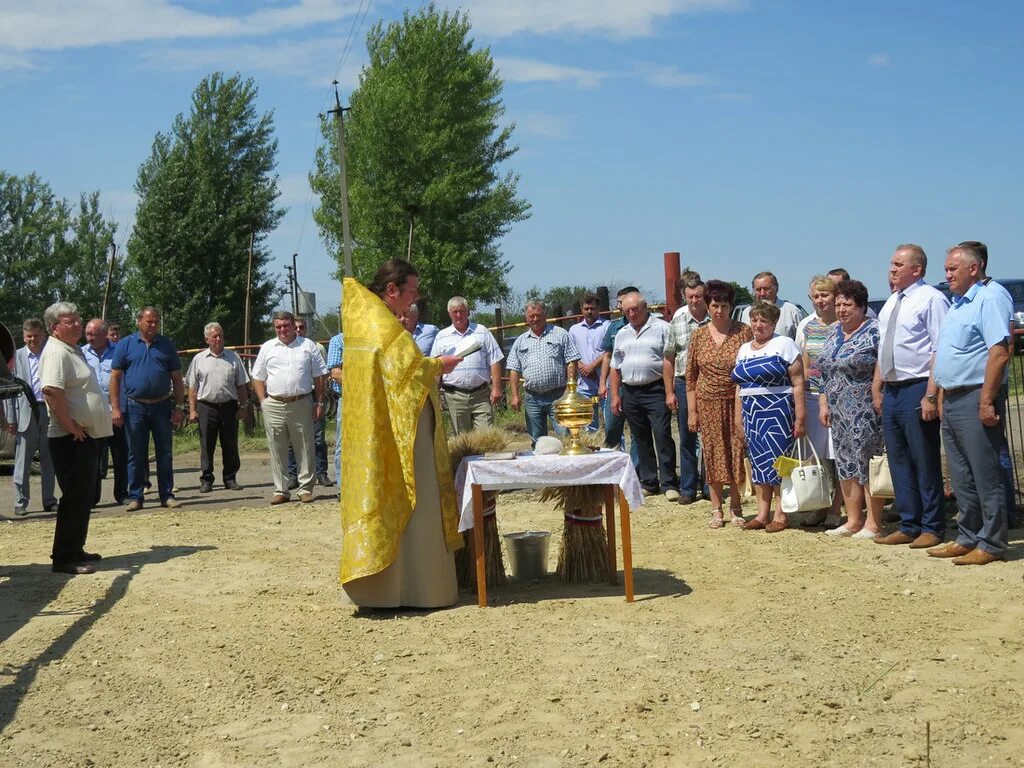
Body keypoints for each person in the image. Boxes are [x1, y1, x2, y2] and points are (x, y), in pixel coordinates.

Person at [339, 258, 465, 608]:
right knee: (417, 500)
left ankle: (387, 589)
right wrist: (441, 364)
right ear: (391, 290)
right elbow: (409, 372)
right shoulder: (385, 326)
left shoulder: (366, 317)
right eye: (411, 291)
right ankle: (421, 587)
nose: (414, 299)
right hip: (403, 433)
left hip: (383, 427)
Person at [927, 243, 1012, 565]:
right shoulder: (959, 303)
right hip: (954, 396)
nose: (947, 274)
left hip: (976, 395)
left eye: (952, 268)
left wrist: (987, 400)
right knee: (962, 474)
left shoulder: (990, 298)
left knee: (984, 471)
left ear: (973, 269)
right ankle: (967, 536)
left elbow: (1000, 351)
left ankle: (992, 543)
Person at [872, 244, 950, 548]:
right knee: (900, 459)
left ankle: (932, 525)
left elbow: (938, 348)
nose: (891, 268)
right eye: (891, 263)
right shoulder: (892, 301)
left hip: (917, 386)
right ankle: (909, 523)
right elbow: (885, 347)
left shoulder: (931, 299)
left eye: (897, 264)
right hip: (892, 389)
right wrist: (878, 384)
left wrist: (931, 394)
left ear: (916, 269)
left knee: (924, 458)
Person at [39, 302, 113, 575]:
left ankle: (76, 547)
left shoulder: (72, 349)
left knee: (85, 496)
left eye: (78, 319)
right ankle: (63, 558)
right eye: (71, 321)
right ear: (55, 327)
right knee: (73, 498)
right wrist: (72, 427)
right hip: (69, 438)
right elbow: (51, 392)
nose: (78, 324)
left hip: (85, 435)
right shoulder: (56, 352)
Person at [817, 280, 886, 538]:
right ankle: (853, 520)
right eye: (838, 304)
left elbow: (884, 364)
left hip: (866, 409)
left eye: (848, 304)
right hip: (838, 412)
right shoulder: (833, 331)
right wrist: (824, 403)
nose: (842, 309)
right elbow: (822, 372)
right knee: (845, 464)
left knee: (867, 463)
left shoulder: (874, 331)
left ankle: (874, 522)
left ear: (862, 306)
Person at [732, 301, 806, 532]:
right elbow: (739, 388)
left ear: (774, 322)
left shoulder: (784, 344)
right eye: (754, 320)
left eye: (764, 320)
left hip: (778, 410)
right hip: (751, 412)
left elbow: (798, 383)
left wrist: (800, 417)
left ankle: (780, 514)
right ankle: (762, 514)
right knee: (758, 463)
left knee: (780, 463)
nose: (758, 324)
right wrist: (738, 419)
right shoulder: (744, 349)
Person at [685, 280, 753, 528]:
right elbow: (691, 376)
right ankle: (716, 508)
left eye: (724, 305)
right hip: (707, 402)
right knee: (713, 454)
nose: (719, 311)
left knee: (736, 451)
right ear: (707, 306)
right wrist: (692, 411)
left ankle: (736, 507)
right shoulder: (699, 335)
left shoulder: (744, 332)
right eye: (714, 305)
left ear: (730, 306)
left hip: (737, 401)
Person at [110, 307, 184, 511]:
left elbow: (177, 378)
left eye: (156, 322)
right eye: (149, 321)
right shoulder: (125, 345)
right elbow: (115, 378)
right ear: (139, 321)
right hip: (135, 407)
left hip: (162, 406)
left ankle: (167, 495)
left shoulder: (166, 345)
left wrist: (179, 406)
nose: (153, 325)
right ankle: (136, 496)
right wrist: (115, 408)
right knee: (135, 454)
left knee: (165, 453)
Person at [251, 311, 327, 504]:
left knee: (305, 445)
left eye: (286, 325)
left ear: (294, 326)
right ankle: (281, 490)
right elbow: (257, 377)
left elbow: (319, 376)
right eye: (278, 327)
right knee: (277, 448)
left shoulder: (307, 346)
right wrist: (263, 401)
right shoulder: (267, 347)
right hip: (274, 404)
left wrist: (319, 402)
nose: (282, 330)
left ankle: (305, 489)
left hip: (301, 402)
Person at [610, 290, 678, 499]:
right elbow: (615, 366)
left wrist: (669, 392)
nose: (632, 313)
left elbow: (670, 360)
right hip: (630, 391)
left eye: (635, 309)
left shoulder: (662, 328)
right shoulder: (621, 333)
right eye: (627, 310)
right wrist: (615, 395)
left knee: (662, 434)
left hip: (655, 389)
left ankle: (669, 483)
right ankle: (649, 482)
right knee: (640, 438)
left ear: (645, 307)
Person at [795, 276, 843, 527]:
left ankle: (837, 509)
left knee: (839, 455)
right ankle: (822, 505)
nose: (821, 300)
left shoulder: (845, 324)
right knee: (819, 457)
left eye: (825, 295)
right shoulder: (807, 327)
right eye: (816, 296)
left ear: (835, 296)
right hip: (812, 398)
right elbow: (803, 364)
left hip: (839, 398)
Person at [506, 300, 581, 448]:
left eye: (538, 315)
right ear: (526, 318)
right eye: (531, 316)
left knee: (566, 437)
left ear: (545, 314)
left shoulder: (560, 334)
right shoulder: (520, 341)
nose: (535, 319)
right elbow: (514, 369)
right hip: (532, 398)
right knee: (537, 441)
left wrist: (570, 389)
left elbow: (572, 361)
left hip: (559, 396)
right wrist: (515, 395)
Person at [186, 322, 249, 493]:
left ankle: (230, 478)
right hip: (206, 406)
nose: (218, 339)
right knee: (207, 445)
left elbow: (242, 385)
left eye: (220, 335)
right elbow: (192, 389)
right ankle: (206, 480)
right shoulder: (199, 360)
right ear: (207, 339)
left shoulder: (233, 357)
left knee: (230, 444)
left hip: (229, 407)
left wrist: (243, 406)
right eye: (214, 336)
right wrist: (192, 410)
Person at [4, 319, 58, 516]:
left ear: (43, 335)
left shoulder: (50, 353)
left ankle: (49, 500)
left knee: (48, 458)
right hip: (25, 411)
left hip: (49, 409)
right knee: (22, 459)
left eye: (36, 335)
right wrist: (10, 418)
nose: (33, 339)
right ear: (24, 337)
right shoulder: (16, 356)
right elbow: (9, 388)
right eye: (29, 336)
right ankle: (21, 502)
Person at [430, 296, 505, 434]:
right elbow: (437, 367)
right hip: (454, 396)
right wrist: (435, 396)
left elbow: (495, 360)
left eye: (462, 311)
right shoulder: (441, 336)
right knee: (462, 441)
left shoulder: (482, 331)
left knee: (486, 439)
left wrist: (496, 388)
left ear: (468, 312)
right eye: (455, 312)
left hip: (481, 395)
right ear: (449, 314)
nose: (459, 315)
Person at [667, 274, 710, 504]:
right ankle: (688, 488)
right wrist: (669, 391)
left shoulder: (715, 319)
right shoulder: (677, 321)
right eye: (690, 296)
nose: (695, 300)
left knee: (710, 438)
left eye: (699, 296)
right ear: (685, 297)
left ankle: (709, 486)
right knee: (687, 437)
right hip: (684, 383)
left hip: (711, 383)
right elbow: (668, 358)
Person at [82, 318, 127, 505]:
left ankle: (122, 493)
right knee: (93, 457)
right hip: (92, 413)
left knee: (120, 455)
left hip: (116, 411)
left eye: (93, 334)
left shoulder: (119, 351)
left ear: (104, 334)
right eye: (87, 334)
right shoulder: (81, 353)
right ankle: (92, 497)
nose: (90, 338)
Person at [598, 286, 641, 461]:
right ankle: (610, 469)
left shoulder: (646, 325)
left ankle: (636, 470)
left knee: (638, 432)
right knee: (611, 429)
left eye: (621, 302)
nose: (619, 306)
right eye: (618, 303)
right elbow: (607, 356)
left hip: (637, 386)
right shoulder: (614, 327)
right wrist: (602, 383)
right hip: (616, 386)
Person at [288, 316, 330, 487]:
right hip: (296, 397)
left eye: (302, 327)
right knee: (292, 438)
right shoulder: (288, 348)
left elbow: (324, 373)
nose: (299, 331)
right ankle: (292, 475)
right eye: (296, 327)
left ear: (306, 329)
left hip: (314, 394)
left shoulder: (317, 347)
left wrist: (321, 398)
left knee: (318, 437)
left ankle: (321, 473)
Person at [566, 293, 607, 432]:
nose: (589, 311)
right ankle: (591, 451)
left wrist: (593, 366)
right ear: (582, 309)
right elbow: (571, 353)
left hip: (605, 383)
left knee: (611, 423)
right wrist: (583, 367)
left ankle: (617, 453)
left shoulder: (607, 326)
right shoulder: (574, 330)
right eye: (586, 308)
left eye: (593, 308)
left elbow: (610, 352)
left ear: (598, 309)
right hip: (584, 385)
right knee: (588, 424)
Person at [739, 271, 806, 339]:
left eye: (766, 289)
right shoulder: (746, 312)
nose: (762, 293)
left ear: (776, 288)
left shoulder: (792, 311)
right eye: (758, 290)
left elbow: (801, 342)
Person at [326, 330, 344, 490]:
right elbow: (335, 372)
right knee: (342, 446)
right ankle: (343, 488)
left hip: (374, 399)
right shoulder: (338, 341)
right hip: (348, 398)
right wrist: (361, 386)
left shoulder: (373, 335)